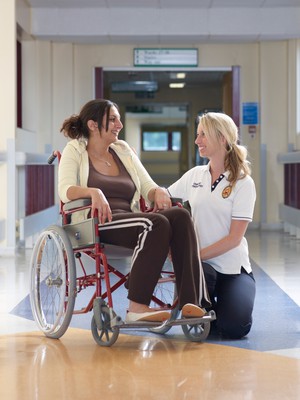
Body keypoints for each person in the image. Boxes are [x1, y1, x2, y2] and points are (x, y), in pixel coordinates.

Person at [58, 98, 210, 324]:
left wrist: (158, 191)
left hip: (130, 218)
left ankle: (192, 302)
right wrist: (93, 192)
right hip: (97, 222)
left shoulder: (123, 150)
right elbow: (65, 190)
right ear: (92, 125)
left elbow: (147, 186)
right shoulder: (76, 150)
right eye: (112, 119)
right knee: (155, 223)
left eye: (119, 119)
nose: (119, 124)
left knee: (180, 216)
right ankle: (136, 307)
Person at [168, 112, 256, 339]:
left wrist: (195, 255)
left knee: (236, 329)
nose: (197, 141)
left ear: (222, 139)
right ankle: (206, 308)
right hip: (202, 268)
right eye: (198, 135)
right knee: (200, 292)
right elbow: (164, 197)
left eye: (203, 135)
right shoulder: (195, 175)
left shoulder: (243, 182)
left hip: (233, 269)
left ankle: (218, 309)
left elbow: (234, 239)